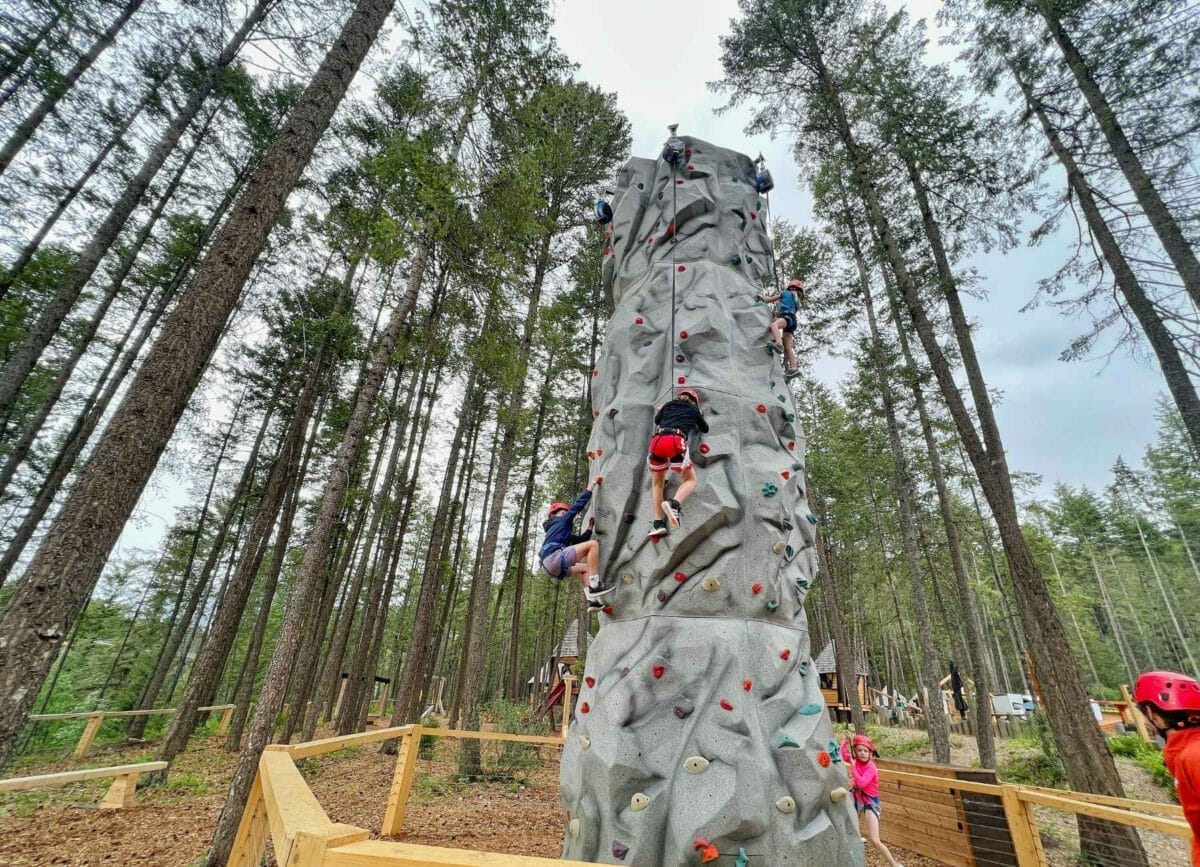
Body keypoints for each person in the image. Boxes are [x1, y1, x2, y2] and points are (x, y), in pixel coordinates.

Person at [1134, 670, 1200, 865]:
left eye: (1143, 715)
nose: (1145, 723)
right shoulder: (1184, 752)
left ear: (1152, 714)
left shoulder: (1193, 756)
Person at [646, 387, 708, 539]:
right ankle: (674, 504)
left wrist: (663, 410)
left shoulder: (668, 405)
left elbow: (657, 420)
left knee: (657, 483)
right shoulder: (693, 410)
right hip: (675, 441)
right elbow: (704, 429)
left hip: (657, 442)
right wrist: (699, 415)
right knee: (691, 480)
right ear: (694, 401)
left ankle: (658, 523)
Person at [540, 476, 607, 607]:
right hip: (554, 558)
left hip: (548, 566)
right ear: (553, 515)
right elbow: (577, 507)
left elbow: (578, 540)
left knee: (585, 569)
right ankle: (595, 584)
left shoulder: (556, 530)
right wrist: (591, 485)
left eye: (566, 512)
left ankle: (591, 601)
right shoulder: (560, 521)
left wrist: (589, 527)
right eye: (563, 512)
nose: (566, 514)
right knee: (593, 545)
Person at [841, 733, 903, 867]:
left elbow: (862, 783)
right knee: (847, 806)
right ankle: (856, 836)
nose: (862, 753)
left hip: (870, 803)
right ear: (855, 752)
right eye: (859, 750)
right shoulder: (855, 760)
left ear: (870, 753)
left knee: (875, 840)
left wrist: (852, 766)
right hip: (857, 797)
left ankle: (894, 863)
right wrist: (846, 742)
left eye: (865, 751)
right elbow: (842, 754)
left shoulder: (871, 768)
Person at [762, 278, 804, 379]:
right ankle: (794, 368)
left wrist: (761, 298)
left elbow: (768, 300)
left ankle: (778, 344)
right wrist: (778, 314)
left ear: (789, 288)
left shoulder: (784, 293)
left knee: (773, 326)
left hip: (787, 317)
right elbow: (789, 310)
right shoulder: (797, 301)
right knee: (788, 347)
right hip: (792, 321)